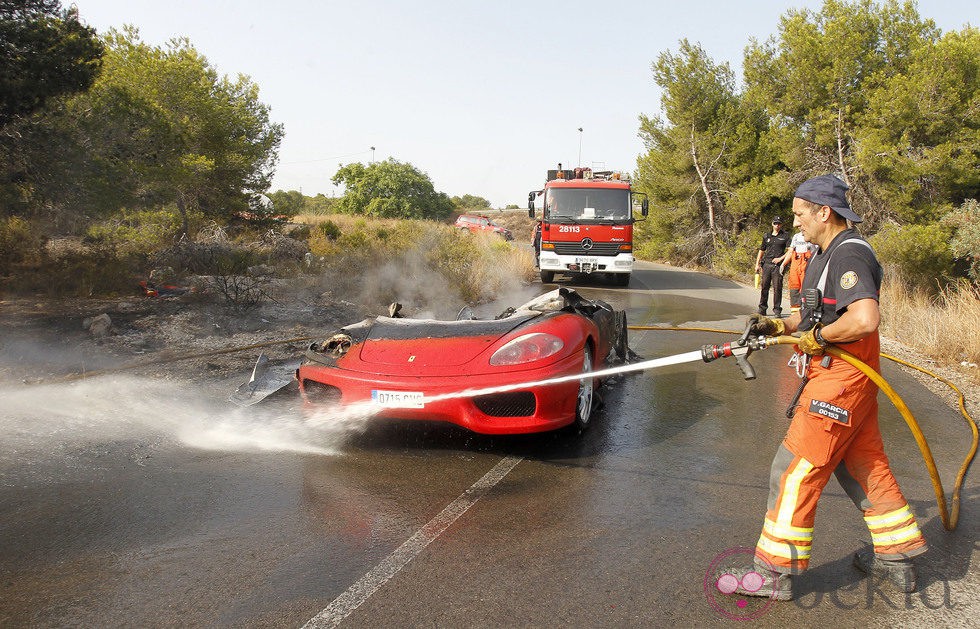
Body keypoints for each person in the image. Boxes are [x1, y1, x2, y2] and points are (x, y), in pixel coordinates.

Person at [730, 174, 927, 601]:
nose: (796, 222)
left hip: (842, 380)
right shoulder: (822, 254)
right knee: (864, 466)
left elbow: (863, 320)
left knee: (795, 469)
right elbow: (812, 317)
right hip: (845, 379)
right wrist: (776, 325)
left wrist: (818, 340)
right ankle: (896, 557)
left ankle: (772, 571)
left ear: (824, 212)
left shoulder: (850, 255)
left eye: (801, 214)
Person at [755, 217, 790, 316]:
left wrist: (780, 259)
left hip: (778, 266)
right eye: (775, 223)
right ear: (772, 224)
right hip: (766, 264)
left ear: (781, 224)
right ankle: (762, 308)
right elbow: (761, 250)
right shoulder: (767, 236)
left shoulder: (785, 236)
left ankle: (777, 310)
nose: (777, 225)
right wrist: (757, 264)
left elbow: (790, 251)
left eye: (779, 223)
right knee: (764, 286)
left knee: (777, 288)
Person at [784, 229, 818, 313]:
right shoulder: (796, 237)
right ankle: (795, 311)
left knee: (806, 287)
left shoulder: (813, 235)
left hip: (807, 263)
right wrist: (783, 264)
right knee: (794, 287)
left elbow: (818, 252)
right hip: (796, 263)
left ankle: (806, 311)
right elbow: (790, 251)